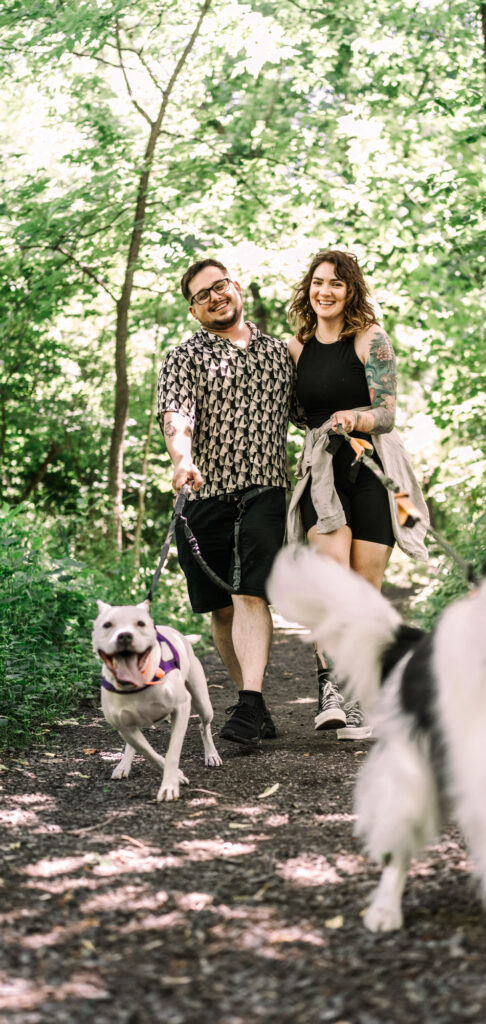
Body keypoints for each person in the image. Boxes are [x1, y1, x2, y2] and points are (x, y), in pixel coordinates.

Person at [287, 249, 429, 740]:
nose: (324, 291)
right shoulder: (296, 350)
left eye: (336, 283)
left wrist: (356, 417)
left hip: (371, 469)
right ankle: (332, 688)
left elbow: (387, 412)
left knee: (364, 590)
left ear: (351, 291)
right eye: (318, 282)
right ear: (309, 289)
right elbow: (289, 412)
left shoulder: (372, 340)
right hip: (323, 472)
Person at [157, 257, 293, 746]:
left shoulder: (281, 353)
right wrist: (181, 458)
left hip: (265, 488)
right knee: (222, 607)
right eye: (202, 295)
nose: (215, 297)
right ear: (194, 311)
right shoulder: (183, 357)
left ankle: (250, 703)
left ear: (236, 288)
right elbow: (177, 414)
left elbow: (310, 409)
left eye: (220, 286)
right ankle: (249, 700)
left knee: (250, 591)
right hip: (205, 493)